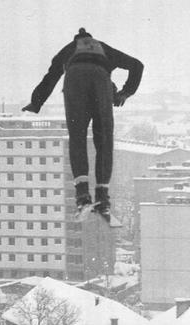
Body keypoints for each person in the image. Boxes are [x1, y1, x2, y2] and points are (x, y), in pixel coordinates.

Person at [23, 28, 144, 217]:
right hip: (101, 82)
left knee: (77, 137)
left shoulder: (68, 50)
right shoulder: (103, 48)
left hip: (75, 81)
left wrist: (36, 102)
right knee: (104, 139)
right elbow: (137, 65)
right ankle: (102, 197)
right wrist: (125, 92)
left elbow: (51, 77)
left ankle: (82, 195)